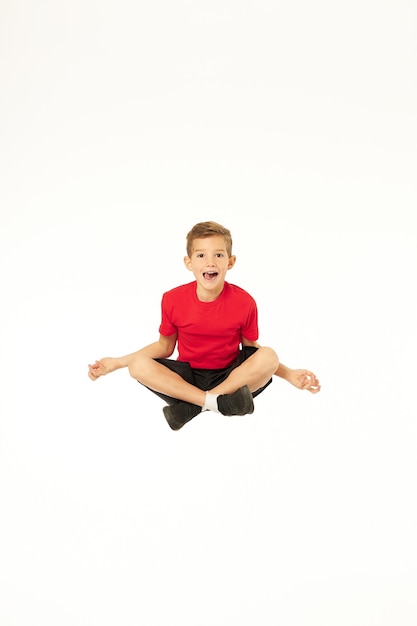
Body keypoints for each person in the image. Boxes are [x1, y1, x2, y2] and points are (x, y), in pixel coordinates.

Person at [88, 221, 320, 430]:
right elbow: (164, 347)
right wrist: (117, 363)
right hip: (186, 379)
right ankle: (217, 403)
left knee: (269, 355)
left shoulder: (244, 302)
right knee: (137, 366)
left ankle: (194, 406)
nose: (210, 262)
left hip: (231, 378)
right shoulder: (172, 299)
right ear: (189, 263)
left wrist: (289, 374)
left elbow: (252, 350)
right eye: (201, 256)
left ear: (230, 262)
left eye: (218, 255)